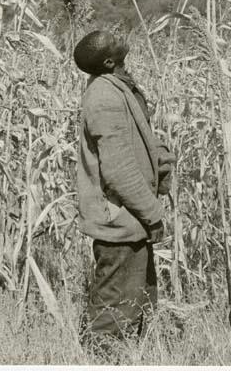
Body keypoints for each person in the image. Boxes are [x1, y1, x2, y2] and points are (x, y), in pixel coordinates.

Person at [73, 30, 175, 350]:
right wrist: (153, 214)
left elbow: (139, 141)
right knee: (114, 307)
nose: (119, 35)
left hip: (131, 218)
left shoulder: (118, 86)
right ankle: (99, 359)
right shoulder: (104, 98)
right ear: (108, 61)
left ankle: (133, 357)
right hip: (120, 220)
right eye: (112, 39)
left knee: (137, 301)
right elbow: (118, 170)